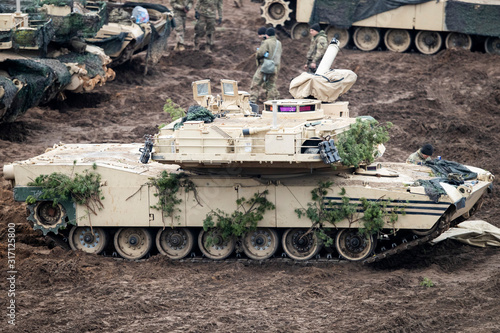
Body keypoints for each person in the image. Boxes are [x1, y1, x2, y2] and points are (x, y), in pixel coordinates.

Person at [249, 27, 282, 103]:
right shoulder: (278, 43)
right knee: (270, 85)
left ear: (267, 35)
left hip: (266, 66)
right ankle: (272, 102)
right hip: (275, 67)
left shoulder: (266, 42)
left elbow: (260, 53)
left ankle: (252, 101)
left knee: (256, 83)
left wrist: (257, 55)